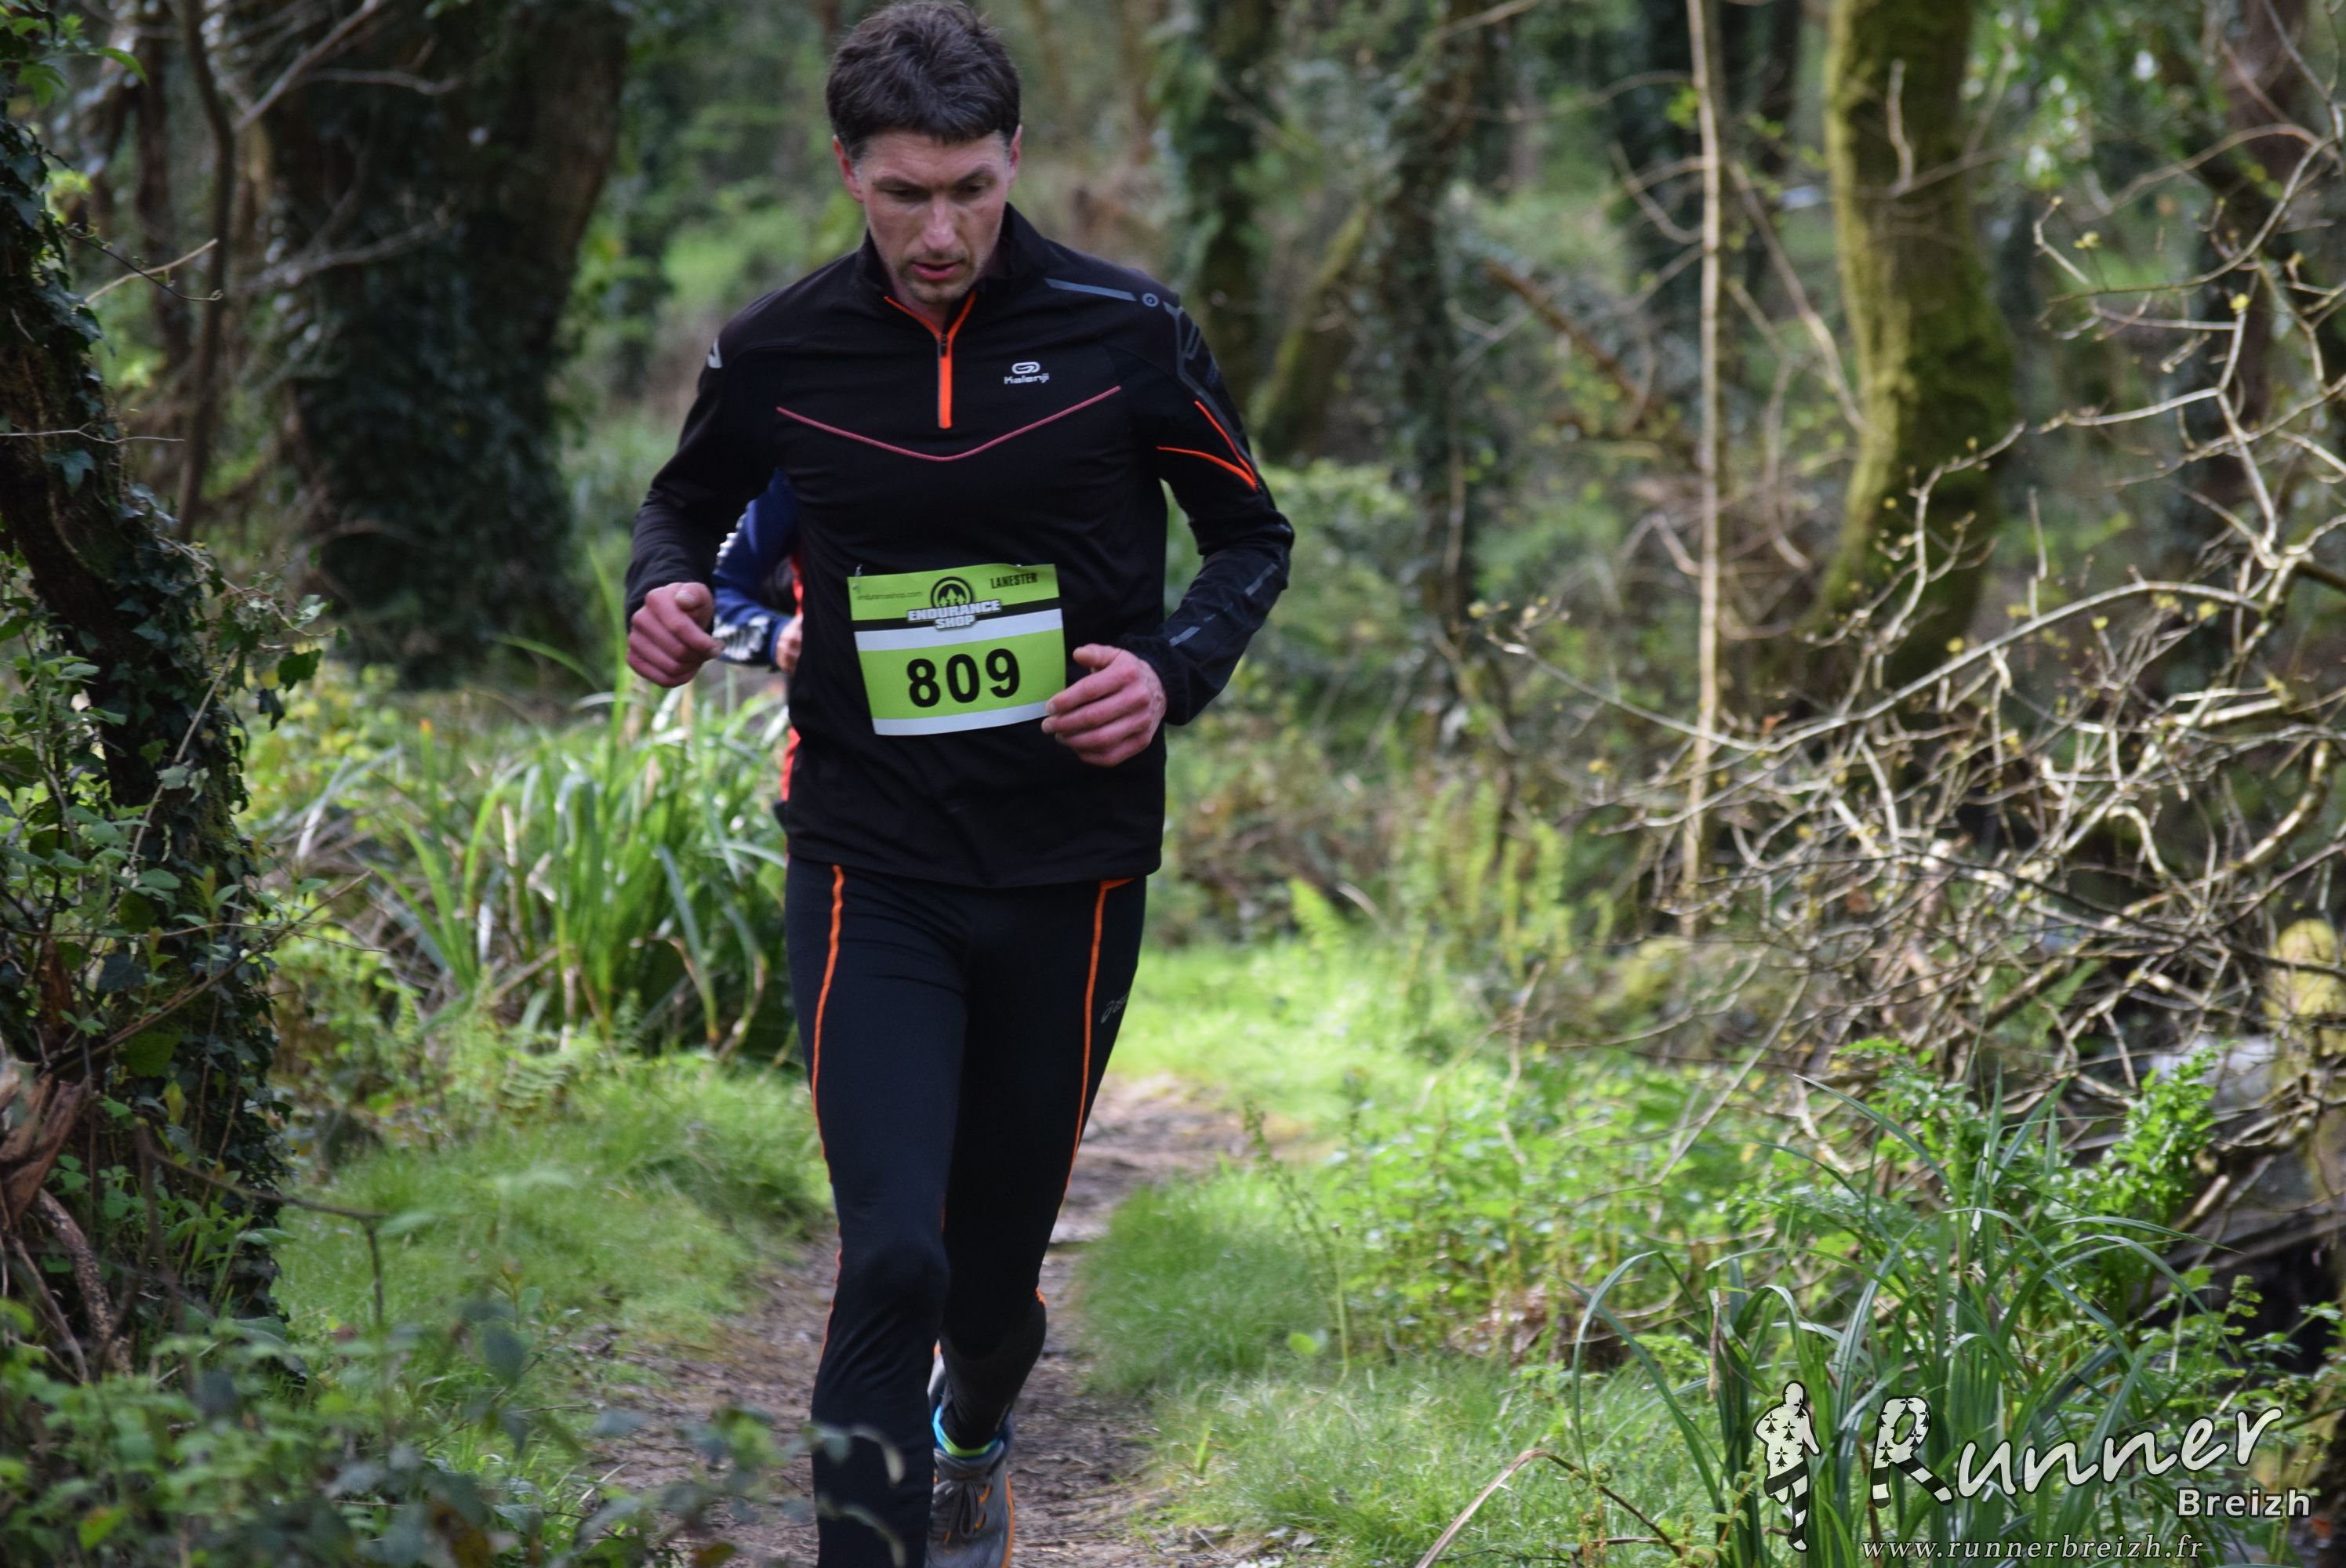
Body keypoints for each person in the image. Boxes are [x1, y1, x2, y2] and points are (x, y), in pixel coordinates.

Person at [622, 5, 1292, 1563]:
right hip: (870, 854)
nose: (941, 233)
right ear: (846, 170)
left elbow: (1250, 537)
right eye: (905, 194)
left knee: (984, 1292)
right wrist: (664, 595)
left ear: (1014, 162)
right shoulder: (780, 349)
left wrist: (1168, 673)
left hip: (1072, 860)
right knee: (892, 1260)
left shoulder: (1126, 329)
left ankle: (973, 1426)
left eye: (972, 190)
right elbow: (682, 507)